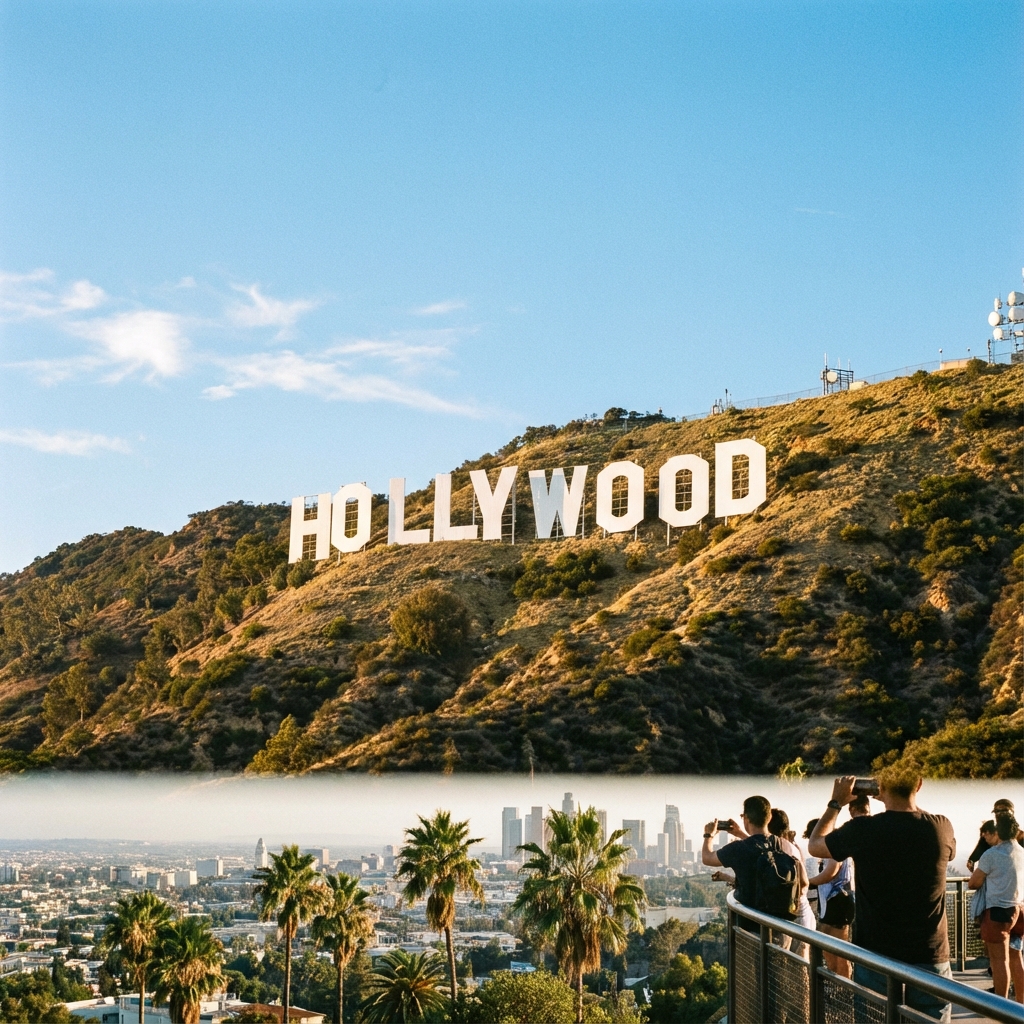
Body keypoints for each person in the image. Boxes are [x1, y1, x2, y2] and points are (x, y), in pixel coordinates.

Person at [808, 769, 956, 1023]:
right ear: (919, 784)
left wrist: (836, 803)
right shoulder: (941, 826)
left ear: (879, 789)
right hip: (931, 957)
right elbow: (948, 853)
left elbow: (815, 845)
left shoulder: (863, 830)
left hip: (877, 958)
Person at [702, 795, 796, 933]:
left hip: (751, 928)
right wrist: (740, 833)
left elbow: (707, 858)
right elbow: (760, 847)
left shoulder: (739, 849)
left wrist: (708, 835)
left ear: (746, 818)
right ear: (769, 817)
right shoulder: (784, 845)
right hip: (780, 926)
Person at [808, 796, 870, 978]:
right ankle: (836, 982)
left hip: (839, 902)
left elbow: (831, 873)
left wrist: (808, 882)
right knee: (828, 946)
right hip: (833, 902)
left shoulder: (836, 848)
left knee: (839, 950)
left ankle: (843, 987)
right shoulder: (839, 844)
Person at [969, 813, 1024, 1002]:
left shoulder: (991, 854)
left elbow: (973, 883)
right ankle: (1020, 1004)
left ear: (998, 832)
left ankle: (1001, 1007)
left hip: (998, 912)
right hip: (1019, 910)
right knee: (1016, 958)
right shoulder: (1021, 852)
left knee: (999, 961)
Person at [768, 808, 816, 943]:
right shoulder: (792, 847)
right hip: (801, 915)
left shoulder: (782, 849)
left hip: (795, 917)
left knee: (796, 962)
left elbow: (804, 882)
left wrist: (792, 901)